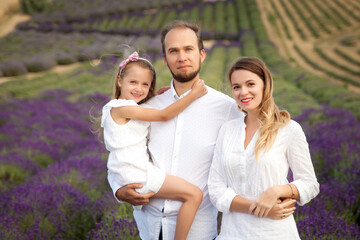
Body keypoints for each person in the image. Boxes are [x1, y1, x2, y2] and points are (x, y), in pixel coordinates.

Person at [108, 20, 242, 240]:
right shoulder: (147, 106)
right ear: (165, 59)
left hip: (197, 231)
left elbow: (248, 163)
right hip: (150, 228)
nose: (182, 57)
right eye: (173, 51)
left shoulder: (227, 109)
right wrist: (118, 190)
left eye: (188, 49)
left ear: (202, 54)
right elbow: (121, 152)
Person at [208, 57, 320, 239]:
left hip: (275, 232)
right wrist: (259, 209)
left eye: (250, 84)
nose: (243, 92)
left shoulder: (288, 129)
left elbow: (310, 184)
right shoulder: (227, 130)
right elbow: (215, 188)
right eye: (236, 87)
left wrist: (276, 191)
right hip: (233, 233)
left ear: (265, 85)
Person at [102, 51, 208, 240]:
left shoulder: (122, 107)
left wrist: (155, 97)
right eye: (133, 82)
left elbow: (142, 110)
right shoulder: (121, 108)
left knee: (191, 195)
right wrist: (193, 95)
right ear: (119, 81)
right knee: (193, 195)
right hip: (137, 173)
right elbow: (163, 116)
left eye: (145, 84)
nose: (139, 88)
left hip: (127, 172)